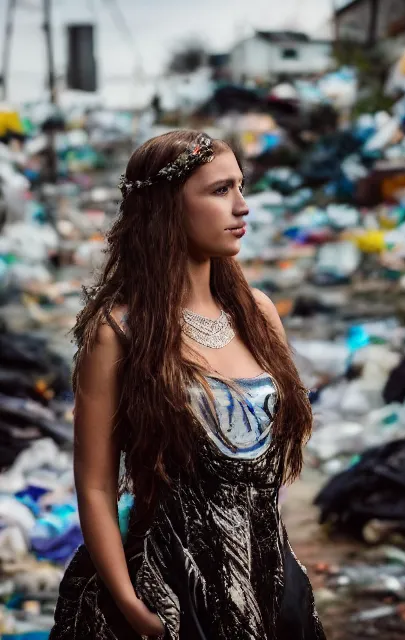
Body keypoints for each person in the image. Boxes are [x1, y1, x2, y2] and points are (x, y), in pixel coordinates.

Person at [49, 130, 325, 640]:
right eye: (220, 191)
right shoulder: (119, 333)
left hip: (269, 579)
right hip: (169, 586)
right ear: (167, 207)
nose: (242, 207)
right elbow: (95, 484)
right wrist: (131, 606)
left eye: (241, 187)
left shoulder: (258, 314)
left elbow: (267, 467)